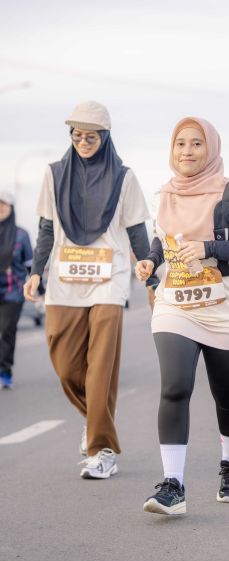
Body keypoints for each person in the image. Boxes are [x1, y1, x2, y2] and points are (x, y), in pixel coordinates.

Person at [135, 117, 229, 515]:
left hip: (226, 307)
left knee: (227, 396)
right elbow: (161, 240)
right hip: (176, 302)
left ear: (210, 149)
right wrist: (150, 260)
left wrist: (209, 247)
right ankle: (173, 485)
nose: (187, 151)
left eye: (196, 144)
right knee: (175, 387)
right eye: (180, 143)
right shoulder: (164, 195)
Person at [24, 101, 155, 477]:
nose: (83, 142)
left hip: (109, 281)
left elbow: (136, 229)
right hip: (64, 281)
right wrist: (36, 272)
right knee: (66, 366)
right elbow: (47, 227)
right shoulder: (54, 174)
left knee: (100, 367)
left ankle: (102, 450)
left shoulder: (124, 178)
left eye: (91, 137)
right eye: (77, 135)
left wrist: (149, 272)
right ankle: (96, 420)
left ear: (105, 138)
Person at [0, 192, 33, 389]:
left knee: (6, 331)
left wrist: (39, 287)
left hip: (12, 292)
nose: (0, 208)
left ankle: (4, 371)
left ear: (11, 209)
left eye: (3, 205)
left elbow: (29, 264)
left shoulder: (21, 234)